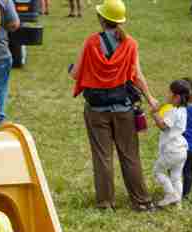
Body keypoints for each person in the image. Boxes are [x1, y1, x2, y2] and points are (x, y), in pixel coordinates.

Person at [69, 0, 159, 211]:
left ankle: (105, 204)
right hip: (124, 109)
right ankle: (142, 202)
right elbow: (137, 75)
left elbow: (75, 74)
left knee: (103, 157)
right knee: (130, 156)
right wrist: (150, 97)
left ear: (101, 19)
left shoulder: (91, 42)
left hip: (96, 110)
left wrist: (72, 68)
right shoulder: (130, 44)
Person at [151, 80, 191, 208]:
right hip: (182, 150)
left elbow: (163, 126)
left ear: (177, 97)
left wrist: (155, 113)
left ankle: (170, 194)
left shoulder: (174, 111)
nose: (167, 95)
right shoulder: (184, 110)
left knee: (158, 171)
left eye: (169, 92)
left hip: (172, 150)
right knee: (176, 176)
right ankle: (178, 202)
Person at [182, 78, 192, 200]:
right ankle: (185, 194)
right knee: (189, 171)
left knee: (175, 170)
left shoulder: (180, 110)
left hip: (181, 147)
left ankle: (175, 191)